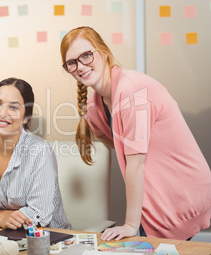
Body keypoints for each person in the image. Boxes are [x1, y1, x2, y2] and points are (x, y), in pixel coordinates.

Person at [60, 26, 211, 241]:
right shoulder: (95, 103)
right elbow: (114, 143)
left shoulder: (131, 90)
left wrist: (130, 224)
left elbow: (135, 164)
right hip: (154, 194)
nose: (80, 66)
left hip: (181, 190)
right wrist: (133, 149)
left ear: (103, 51)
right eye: (71, 62)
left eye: (86, 55)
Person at [0, 78, 71, 230]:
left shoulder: (40, 152)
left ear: (26, 118)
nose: (2, 113)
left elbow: (39, 215)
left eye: (13, 108)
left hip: (47, 240)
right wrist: (0, 218)